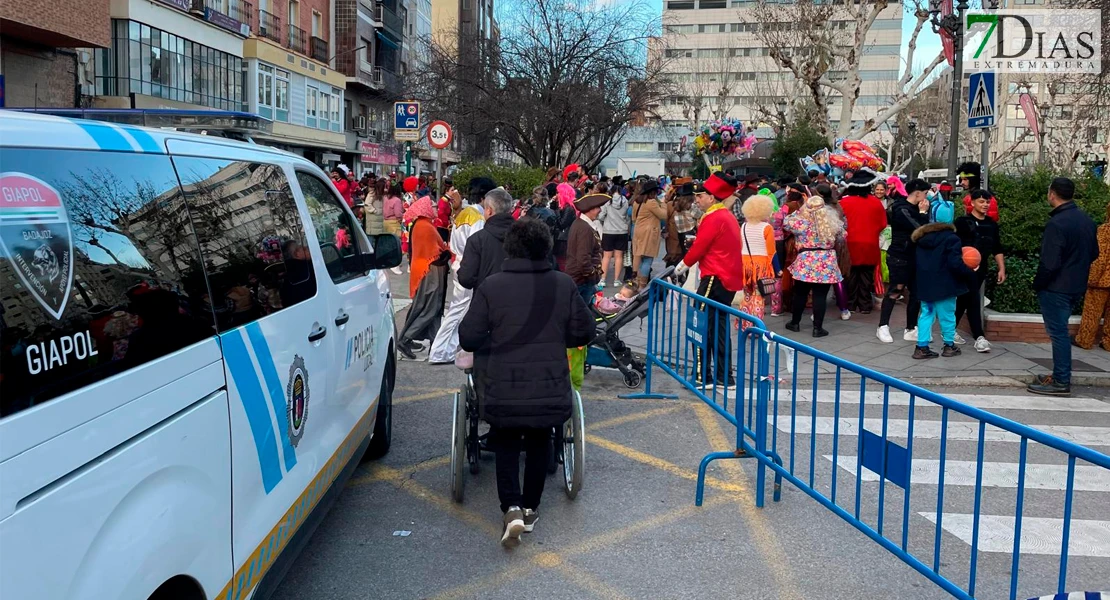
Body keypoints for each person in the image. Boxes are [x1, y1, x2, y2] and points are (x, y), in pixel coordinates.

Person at [458, 218, 595, 547]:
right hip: (549, 386)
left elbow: (470, 337)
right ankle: (531, 507)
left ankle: (512, 508)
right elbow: (584, 331)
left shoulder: (492, 286)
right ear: (546, 248)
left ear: (510, 248)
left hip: (504, 386)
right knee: (539, 439)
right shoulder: (562, 285)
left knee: (505, 441)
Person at [1028, 177, 1099, 396]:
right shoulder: (1086, 220)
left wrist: (1038, 284)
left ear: (1052, 194)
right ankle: (1059, 375)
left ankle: (1060, 380)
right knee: (1060, 332)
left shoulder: (1056, 223)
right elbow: (1094, 253)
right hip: (1076, 285)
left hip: (1056, 287)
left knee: (1058, 334)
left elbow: (1049, 262)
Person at [675, 172, 744, 389]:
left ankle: (702, 376)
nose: (696, 200)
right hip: (727, 278)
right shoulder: (727, 217)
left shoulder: (714, 218)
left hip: (714, 277)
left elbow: (700, 247)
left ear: (711, 197)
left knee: (701, 325)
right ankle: (725, 377)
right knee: (720, 328)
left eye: (699, 196)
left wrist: (682, 265)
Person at [427, 178, 494, 365]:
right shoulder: (477, 218)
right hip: (468, 265)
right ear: (485, 198)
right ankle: (439, 351)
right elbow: (477, 246)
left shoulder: (465, 213)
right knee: (459, 310)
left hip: (460, 262)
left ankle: (446, 349)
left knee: (460, 309)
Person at [877, 179, 931, 344]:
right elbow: (919, 229)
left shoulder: (918, 209)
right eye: (925, 193)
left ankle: (911, 328)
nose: (927, 197)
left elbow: (926, 230)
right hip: (900, 256)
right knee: (895, 290)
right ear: (917, 192)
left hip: (916, 256)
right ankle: (883, 326)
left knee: (916, 293)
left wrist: (923, 213)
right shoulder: (901, 209)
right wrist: (922, 214)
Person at [911, 221, 975, 359]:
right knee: (947, 316)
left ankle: (922, 347)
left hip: (925, 284)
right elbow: (955, 263)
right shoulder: (952, 238)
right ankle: (949, 346)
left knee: (926, 315)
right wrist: (970, 271)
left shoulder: (921, 239)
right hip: (945, 284)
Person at [397, 196, 450, 360]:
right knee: (430, 308)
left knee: (431, 308)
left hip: (428, 270)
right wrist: (447, 252)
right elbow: (435, 253)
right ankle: (406, 339)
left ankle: (435, 343)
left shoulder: (422, 224)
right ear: (426, 208)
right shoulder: (425, 226)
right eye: (433, 206)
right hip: (430, 271)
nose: (436, 209)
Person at [784, 196, 844, 338]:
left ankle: (795, 322)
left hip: (806, 261)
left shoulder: (802, 223)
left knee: (800, 293)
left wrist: (801, 210)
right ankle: (818, 328)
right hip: (826, 261)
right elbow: (842, 236)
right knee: (820, 296)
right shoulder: (833, 223)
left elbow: (786, 222)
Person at [954, 189, 1007, 352]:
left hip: (981, 267)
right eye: (981, 201)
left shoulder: (991, 224)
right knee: (973, 300)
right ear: (972, 203)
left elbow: (996, 247)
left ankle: (950, 330)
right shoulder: (962, 222)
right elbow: (954, 245)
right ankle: (979, 337)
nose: (985, 204)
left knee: (965, 299)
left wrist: (1001, 268)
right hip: (964, 268)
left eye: (987, 202)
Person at [839, 173, 887, 314]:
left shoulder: (844, 203)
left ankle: (851, 304)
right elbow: (883, 224)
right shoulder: (876, 203)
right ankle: (865, 305)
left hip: (850, 244)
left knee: (850, 275)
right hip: (870, 244)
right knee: (867, 276)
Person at [459, 186, 516, 293]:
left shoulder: (477, 239)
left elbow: (466, 279)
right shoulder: (526, 236)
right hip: (518, 298)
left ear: (489, 211)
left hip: (486, 298)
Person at [1074, 202, 1110, 351]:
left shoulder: (1104, 230)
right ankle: (1108, 342)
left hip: (1102, 281)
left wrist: (1091, 279)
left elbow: (1099, 258)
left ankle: (1085, 340)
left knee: (1092, 311)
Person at [739, 194, 777, 327]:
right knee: (758, 296)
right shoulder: (767, 228)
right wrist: (776, 270)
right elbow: (771, 252)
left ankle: (743, 322)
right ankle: (755, 325)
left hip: (745, 264)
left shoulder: (743, 226)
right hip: (761, 265)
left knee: (747, 295)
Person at [565, 191, 609, 306]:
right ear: (591, 209)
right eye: (598, 207)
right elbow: (583, 259)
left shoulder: (581, 224)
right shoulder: (584, 228)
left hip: (580, 279)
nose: (600, 210)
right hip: (581, 281)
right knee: (581, 317)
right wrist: (592, 276)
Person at [631, 179, 667, 290]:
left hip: (638, 231)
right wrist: (664, 203)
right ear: (654, 192)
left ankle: (636, 282)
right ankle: (642, 285)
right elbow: (663, 215)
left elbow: (633, 218)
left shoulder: (638, 201)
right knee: (647, 259)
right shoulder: (651, 202)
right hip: (648, 233)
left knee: (639, 257)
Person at [598, 174, 631, 286]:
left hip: (608, 231)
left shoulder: (607, 201)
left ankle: (603, 279)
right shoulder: (625, 201)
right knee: (619, 256)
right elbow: (627, 217)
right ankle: (616, 280)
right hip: (622, 232)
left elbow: (601, 216)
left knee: (606, 256)